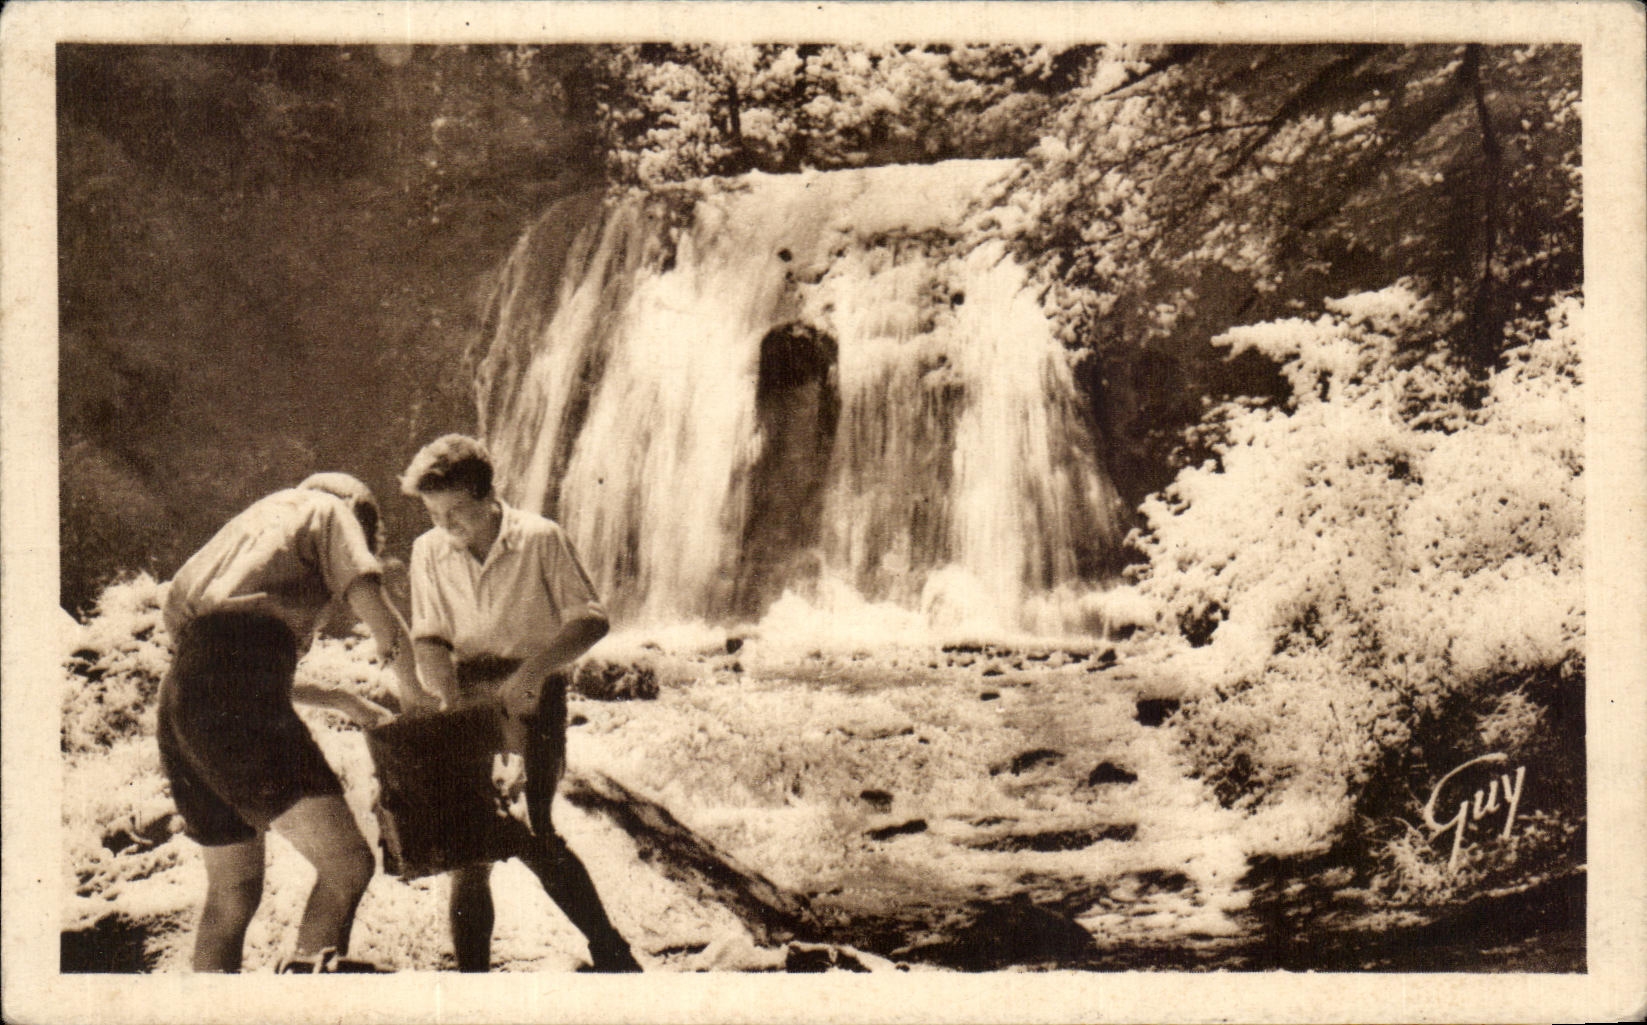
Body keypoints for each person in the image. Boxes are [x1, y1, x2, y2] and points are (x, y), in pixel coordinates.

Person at [158, 472, 436, 973]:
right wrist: (414, 692)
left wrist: (342, 700)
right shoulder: (330, 512)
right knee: (348, 867)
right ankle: (307, 1000)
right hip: (241, 694)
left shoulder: (245, 528)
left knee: (232, 894)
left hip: (181, 703)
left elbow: (209, 660)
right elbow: (371, 602)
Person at [400, 434, 641, 973]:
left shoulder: (539, 538)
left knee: (535, 828)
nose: (446, 525)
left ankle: (610, 950)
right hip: (467, 691)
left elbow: (590, 619)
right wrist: (452, 702)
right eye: (434, 513)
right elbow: (430, 637)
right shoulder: (428, 550)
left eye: (457, 511)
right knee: (468, 850)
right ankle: (472, 984)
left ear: (489, 496)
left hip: (537, 689)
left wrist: (534, 674)